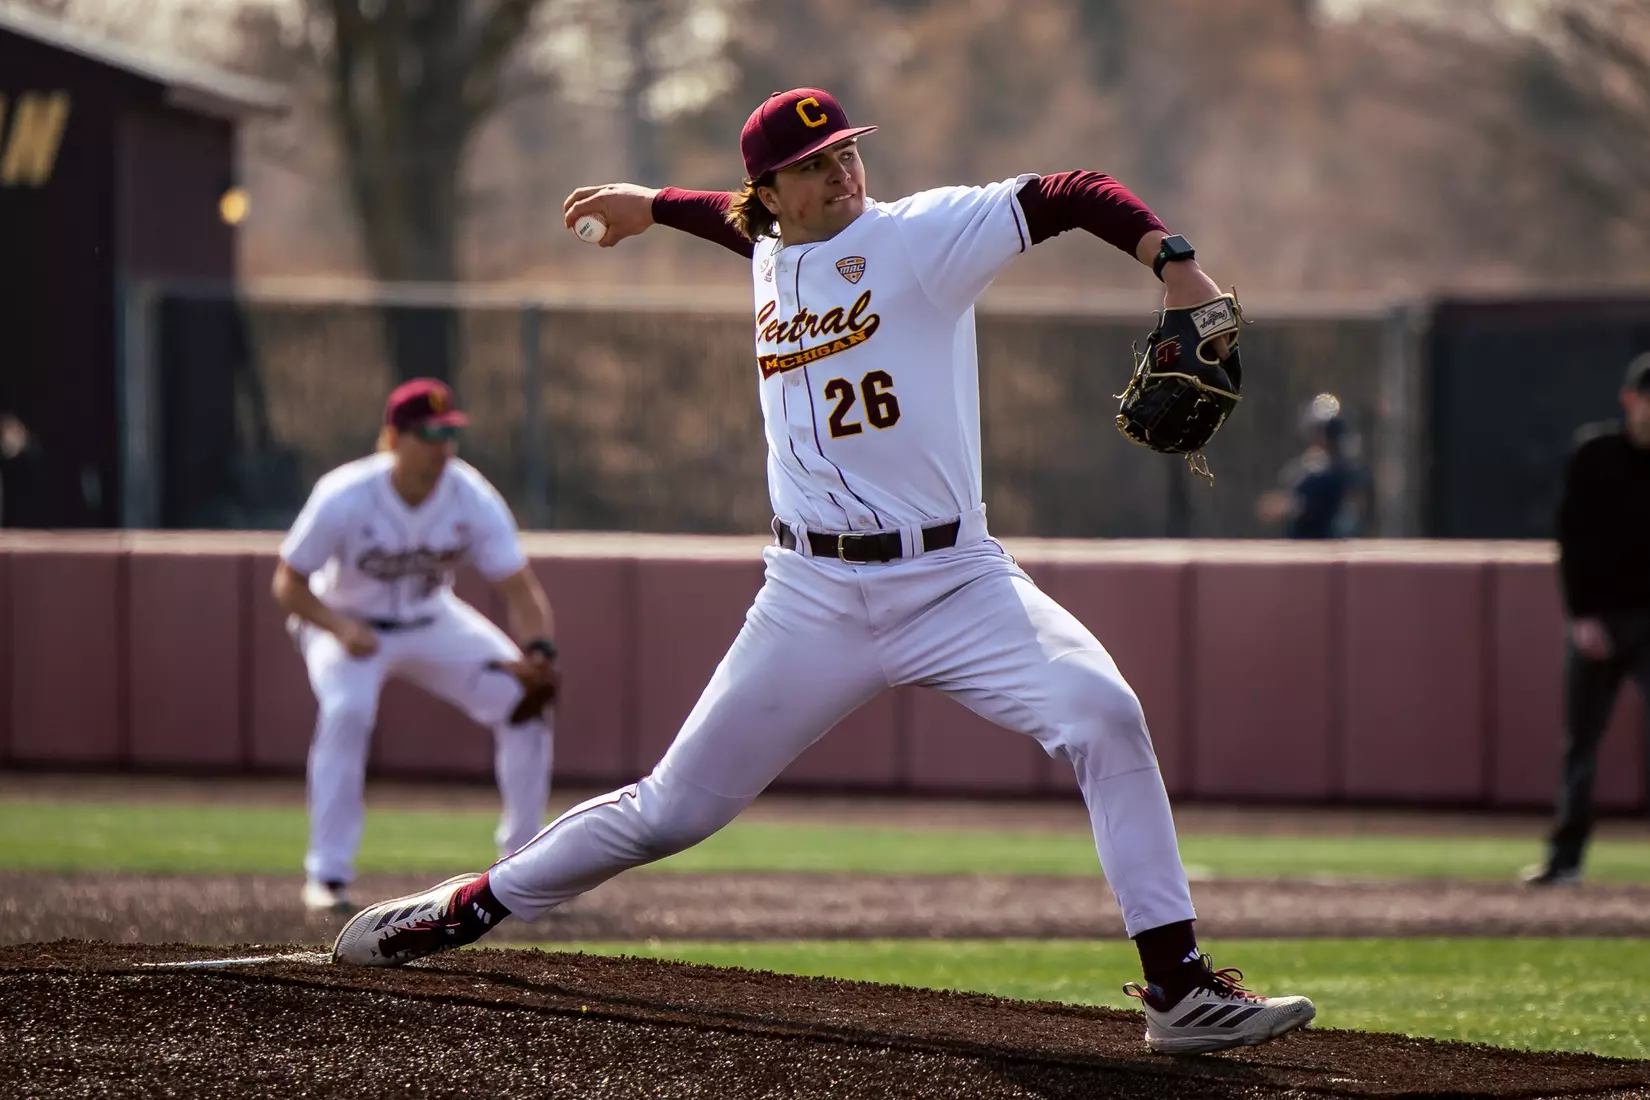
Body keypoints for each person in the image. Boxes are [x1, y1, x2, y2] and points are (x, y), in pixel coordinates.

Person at [332, 87, 1315, 1056]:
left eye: (847, 150)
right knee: (671, 810)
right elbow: (731, 225)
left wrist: (1176, 267)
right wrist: (649, 204)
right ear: (772, 190)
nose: (842, 170)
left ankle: (1179, 988)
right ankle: (466, 904)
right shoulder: (767, 248)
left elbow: (1071, 191)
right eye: (814, 164)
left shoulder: (921, 236)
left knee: (1104, 713)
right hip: (811, 598)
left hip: (955, 580)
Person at [273, 378, 561, 913]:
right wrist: (339, 628)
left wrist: (540, 652)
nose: (440, 446)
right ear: (392, 439)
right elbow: (287, 584)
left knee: (527, 705)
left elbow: (521, 589)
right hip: (345, 623)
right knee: (348, 711)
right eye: (426, 434)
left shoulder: (469, 494)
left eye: (448, 433)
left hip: (433, 621)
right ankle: (328, 875)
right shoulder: (346, 494)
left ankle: (523, 867)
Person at [1523, 352, 1650, 886]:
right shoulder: (1596, 454)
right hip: (1599, 619)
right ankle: (1565, 858)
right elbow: (1571, 539)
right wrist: (1581, 616)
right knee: (1581, 743)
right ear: (1631, 400)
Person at [1255, 393, 1370, 539]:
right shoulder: (1309, 470)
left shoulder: (1334, 474)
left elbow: (1305, 505)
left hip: (1325, 550)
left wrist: (1284, 506)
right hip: (1311, 549)